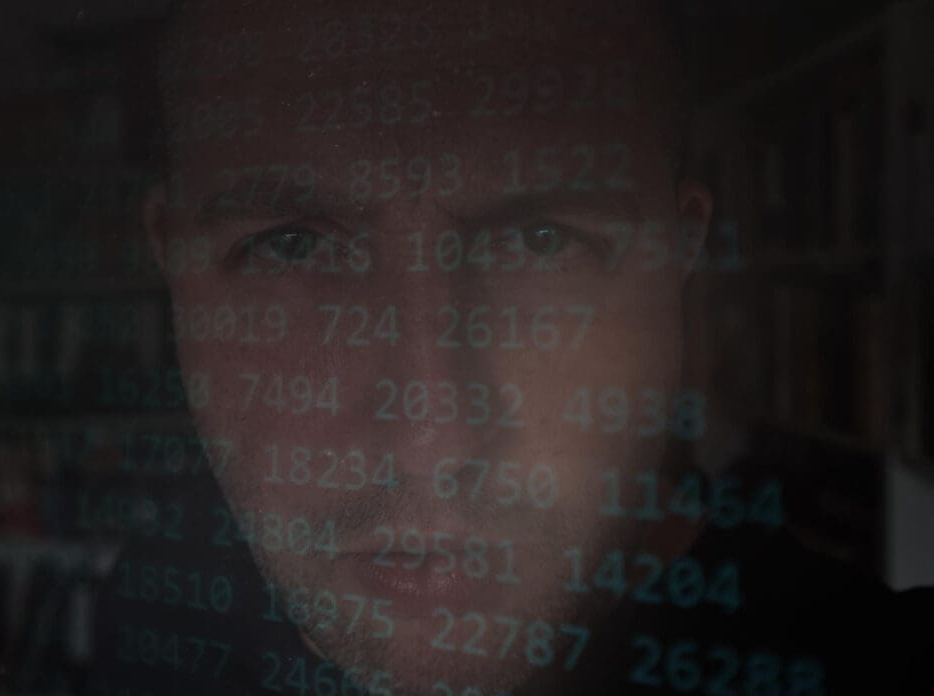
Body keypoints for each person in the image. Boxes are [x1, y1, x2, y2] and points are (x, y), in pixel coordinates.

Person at [87, 1, 931, 694]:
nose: (431, 445)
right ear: (171, 256)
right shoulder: (158, 614)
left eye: (542, 239)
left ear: (682, 254)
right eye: (291, 245)